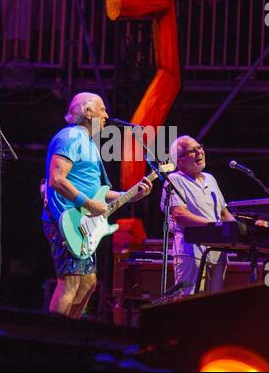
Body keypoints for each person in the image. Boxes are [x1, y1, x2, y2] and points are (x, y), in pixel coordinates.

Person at [42, 92, 152, 319]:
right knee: (70, 283)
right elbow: (56, 179)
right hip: (66, 219)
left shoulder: (89, 144)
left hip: (81, 221)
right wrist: (89, 204)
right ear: (87, 111)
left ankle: (68, 333)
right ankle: (53, 336)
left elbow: (96, 193)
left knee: (88, 284)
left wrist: (130, 195)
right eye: (101, 109)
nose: (106, 115)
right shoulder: (70, 137)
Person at [160, 135, 235, 297]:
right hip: (190, 251)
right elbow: (180, 215)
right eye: (191, 151)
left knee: (215, 304)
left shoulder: (210, 178)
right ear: (179, 161)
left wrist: (242, 230)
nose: (199, 151)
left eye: (199, 147)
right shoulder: (174, 179)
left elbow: (223, 213)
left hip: (217, 252)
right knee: (189, 301)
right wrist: (215, 226)